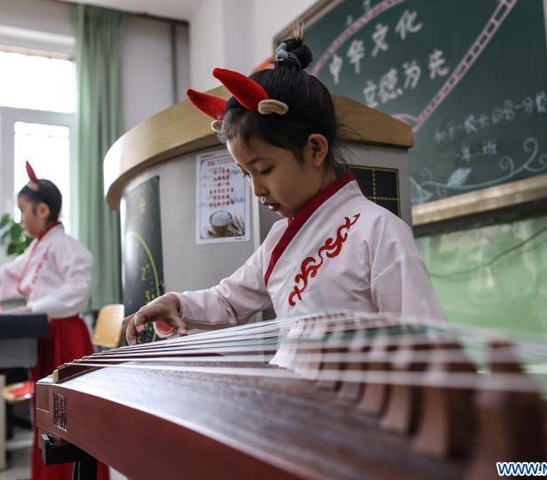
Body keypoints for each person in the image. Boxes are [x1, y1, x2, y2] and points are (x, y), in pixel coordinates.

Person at [126, 37, 445, 344]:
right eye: (245, 174)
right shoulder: (279, 239)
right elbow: (227, 302)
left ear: (315, 149)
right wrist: (176, 304)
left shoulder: (378, 230)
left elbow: (425, 342)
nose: (257, 189)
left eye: (264, 169)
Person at [0, 162, 105, 480]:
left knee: (66, 416)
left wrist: (34, 309)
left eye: (23, 211)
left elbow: (77, 291)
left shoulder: (69, 249)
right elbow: (0, 280)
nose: (20, 219)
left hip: (65, 335)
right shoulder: (36, 251)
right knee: (48, 416)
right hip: (43, 331)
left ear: (42, 210)